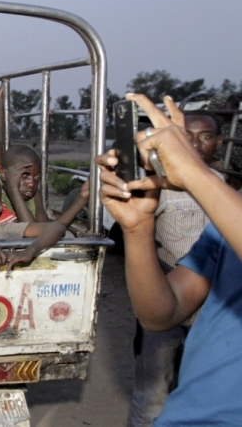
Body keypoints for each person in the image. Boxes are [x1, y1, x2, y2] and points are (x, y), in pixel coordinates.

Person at [97, 93, 242, 426]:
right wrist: (138, 228)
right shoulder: (229, 209)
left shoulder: (217, 190)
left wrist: (193, 173)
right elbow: (162, 314)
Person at [127, 109, 224, 427]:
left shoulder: (221, 186)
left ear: (218, 143)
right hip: (169, 294)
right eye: (187, 136)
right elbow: (140, 240)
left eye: (205, 136)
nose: (196, 143)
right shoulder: (157, 185)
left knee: (200, 392)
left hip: (212, 307)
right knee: (153, 395)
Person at [0, 145, 90, 227]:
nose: (32, 183)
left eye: (37, 178)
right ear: (4, 175)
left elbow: (46, 230)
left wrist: (82, 198)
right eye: (25, 176)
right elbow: (30, 233)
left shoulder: (34, 195)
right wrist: (13, 188)